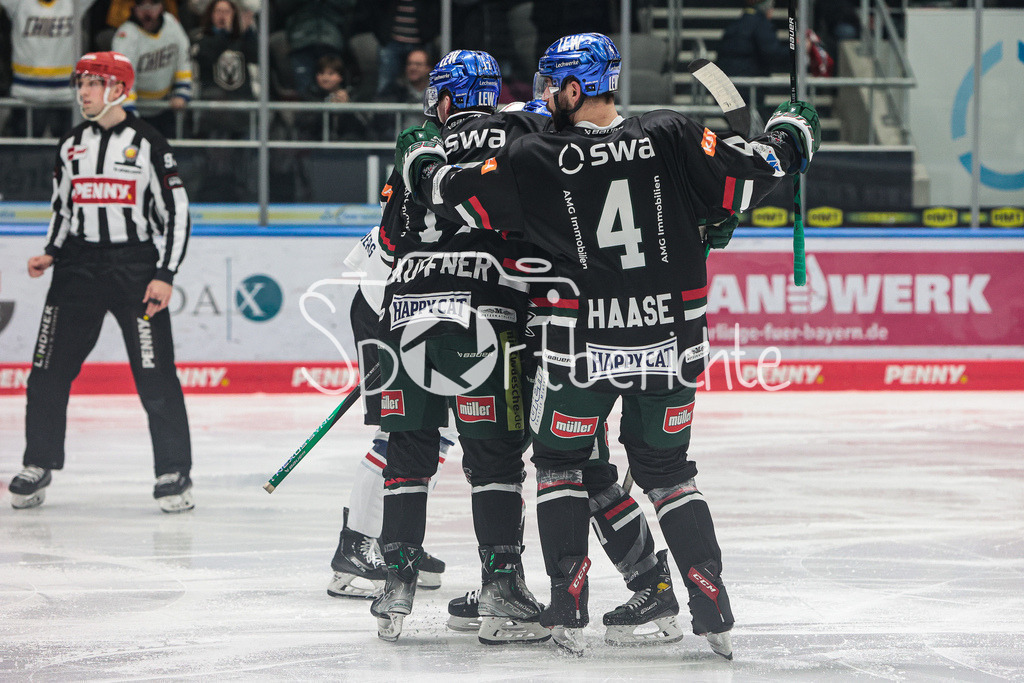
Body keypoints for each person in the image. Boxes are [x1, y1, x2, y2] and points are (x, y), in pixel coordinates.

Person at [395, 32, 819, 657]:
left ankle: (567, 610)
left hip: (582, 350)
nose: (541, 97)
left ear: (574, 87)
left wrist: (422, 157)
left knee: (562, 466)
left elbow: (451, 196)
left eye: (549, 85)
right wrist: (792, 134)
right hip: (671, 344)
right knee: (669, 472)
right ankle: (713, 608)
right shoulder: (672, 133)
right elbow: (754, 175)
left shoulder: (539, 157)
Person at [7, 51, 194, 514]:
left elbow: (177, 214)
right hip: (77, 268)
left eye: (93, 83)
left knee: (155, 374)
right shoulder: (70, 145)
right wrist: (50, 252)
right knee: (47, 371)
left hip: (135, 267)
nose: (83, 91)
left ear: (118, 89)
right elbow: (62, 209)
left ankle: (174, 472)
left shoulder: (150, 142)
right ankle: (38, 462)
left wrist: (165, 274)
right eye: (81, 83)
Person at [0, 0, 97, 137]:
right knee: (24, 154)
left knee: (69, 152)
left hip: (66, 95)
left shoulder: (74, 3)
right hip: (27, 94)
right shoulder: (19, 3)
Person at [112, 0, 192, 138]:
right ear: (134, 9)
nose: (147, 11)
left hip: (166, 105)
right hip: (138, 109)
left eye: (153, 5)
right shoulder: (125, 36)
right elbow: (123, 76)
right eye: (142, 6)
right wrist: (129, 112)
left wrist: (182, 90)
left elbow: (183, 56)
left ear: (161, 7)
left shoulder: (171, 23)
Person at [190, 0, 257, 139]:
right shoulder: (200, 37)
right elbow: (205, 58)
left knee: (242, 152)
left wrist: (248, 32)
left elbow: (256, 57)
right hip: (212, 107)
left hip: (240, 105)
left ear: (234, 14)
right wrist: (223, 34)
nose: (222, 16)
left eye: (227, 12)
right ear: (211, 14)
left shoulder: (243, 38)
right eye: (218, 11)